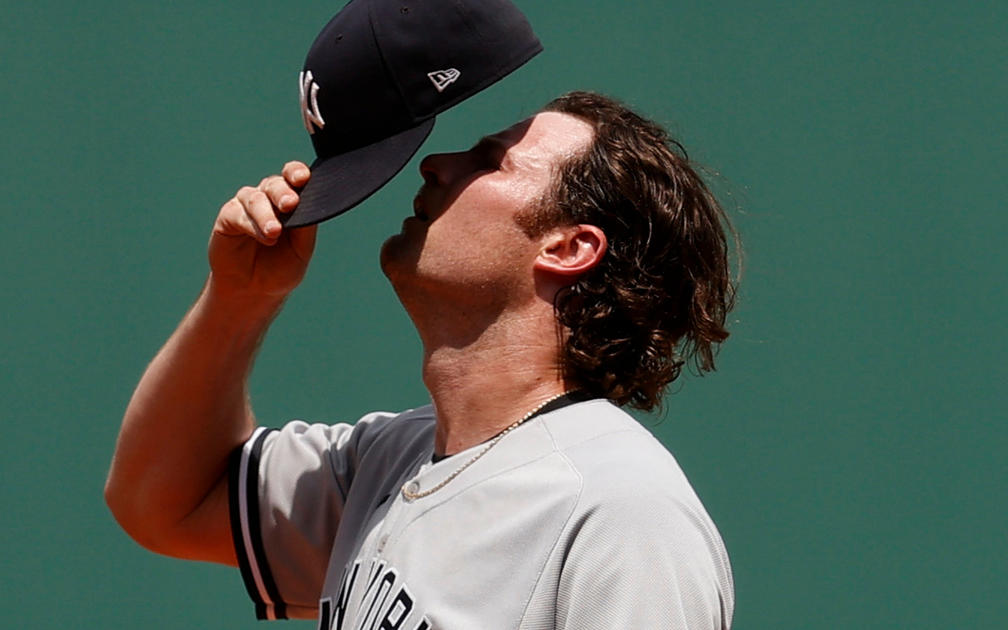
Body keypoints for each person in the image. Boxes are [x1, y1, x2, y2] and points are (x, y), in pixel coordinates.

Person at [105, 91, 737, 629]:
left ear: (569, 247)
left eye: (492, 160)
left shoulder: (621, 509)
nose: (437, 163)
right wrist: (240, 297)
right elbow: (164, 503)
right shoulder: (390, 458)